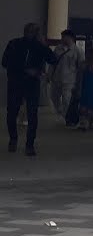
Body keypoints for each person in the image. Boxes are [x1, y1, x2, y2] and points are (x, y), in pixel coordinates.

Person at [3, 23, 56, 155]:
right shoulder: (14, 44)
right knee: (12, 113)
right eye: (31, 31)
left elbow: (53, 59)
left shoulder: (39, 47)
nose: (31, 34)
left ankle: (29, 144)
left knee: (32, 115)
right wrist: (26, 70)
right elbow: (4, 62)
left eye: (34, 32)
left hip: (32, 84)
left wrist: (44, 44)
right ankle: (13, 139)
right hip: (16, 82)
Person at [49, 30, 83, 125]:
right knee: (53, 97)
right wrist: (49, 75)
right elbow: (53, 64)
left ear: (70, 38)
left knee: (67, 100)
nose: (62, 39)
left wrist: (79, 81)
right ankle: (61, 112)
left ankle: (68, 118)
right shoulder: (58, 49)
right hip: (56, 78)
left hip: (70, 80)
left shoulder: (77, 51)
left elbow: (80, 67)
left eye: (64, 37)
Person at [75, 47, 93, 131]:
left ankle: (90, 123)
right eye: (92, 54)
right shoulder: (83, 65)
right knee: (84, 106)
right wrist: (77, 88)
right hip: (85, 89)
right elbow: (78, 78)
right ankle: (83, 124)